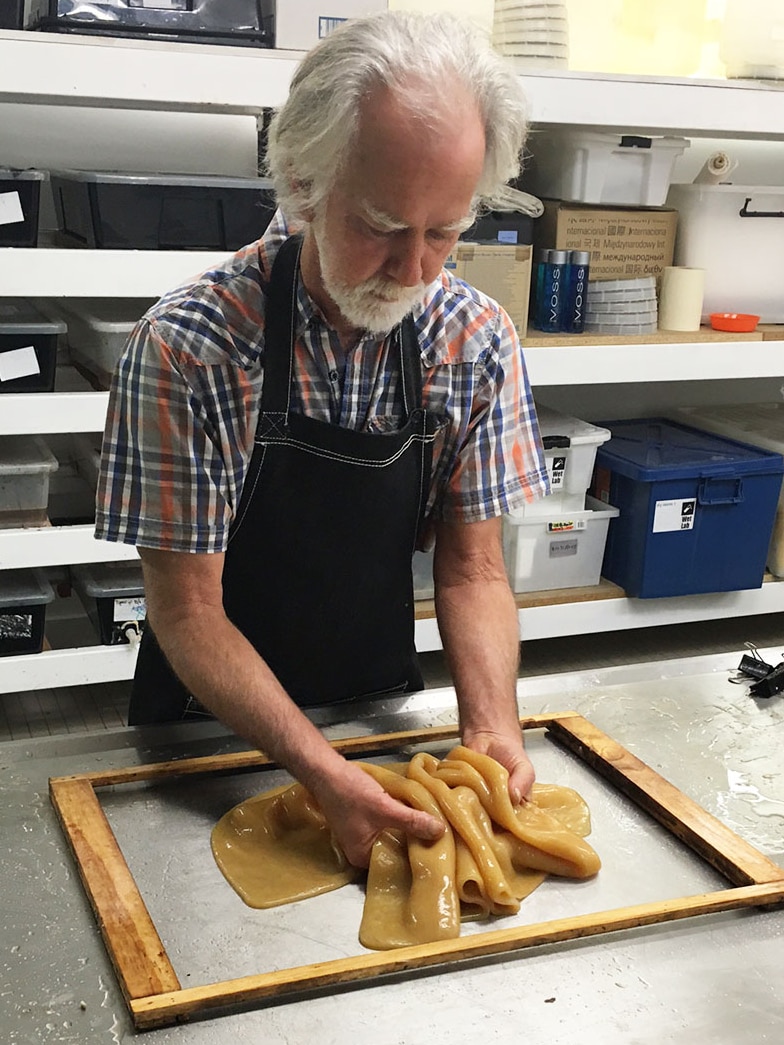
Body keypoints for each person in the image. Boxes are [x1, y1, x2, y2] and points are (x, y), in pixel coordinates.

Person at [95, 10, 549, 868]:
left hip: (377, 720)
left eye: (446, 232)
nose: (417, 271)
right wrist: (318, 771)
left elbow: (474, 568)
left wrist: (491, 726)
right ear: (303, 183)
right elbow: (187, 610)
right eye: (383, 225)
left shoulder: (475, 341)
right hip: (203, 741)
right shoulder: (189, 349)